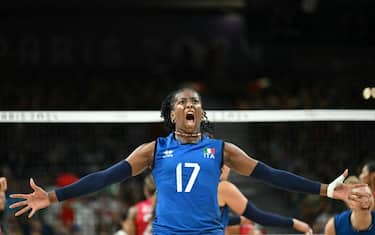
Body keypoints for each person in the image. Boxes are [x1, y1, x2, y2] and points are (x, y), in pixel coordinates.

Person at [10, 88, 368, 234]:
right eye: (182, 102)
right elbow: (105, 177)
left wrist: (325, 189)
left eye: (195, 101)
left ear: (202, 112)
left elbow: (272, 175)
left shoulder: (221, 150)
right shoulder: (154, 150)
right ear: (171, 114)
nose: (190, 105)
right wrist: (53, 196)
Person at [218, 165, 313, 235]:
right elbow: (258, 217)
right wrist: (293, 223)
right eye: (227, 163)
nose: (229, 168)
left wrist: (238, 220)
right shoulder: (223, 187)